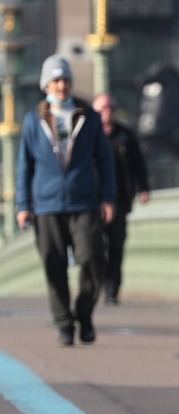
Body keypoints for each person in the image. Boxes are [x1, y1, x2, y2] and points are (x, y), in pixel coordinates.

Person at [16, 55, 115, 346]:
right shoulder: (34, 120)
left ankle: (83, 314)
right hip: (46, 204)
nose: (61, 85)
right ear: (46, 84)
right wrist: (23, 206)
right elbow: (25, 166)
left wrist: (107, 198)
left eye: (66, 80)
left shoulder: (89, 117)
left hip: (84, 201)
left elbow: (105, 161)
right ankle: (63, 324)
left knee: (93, 258)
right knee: (53, 265)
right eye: (56, 80)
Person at [92, 93, 151, 305]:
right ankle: (98, 282)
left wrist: (143, 187)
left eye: (109, 108)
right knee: (94, 247)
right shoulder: (88, 137)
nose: (106, 113)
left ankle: (111, 290)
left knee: (116, 246)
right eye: (101, 109)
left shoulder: (125, 135)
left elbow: (138, 164)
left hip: (119, 201)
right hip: (93, 202)